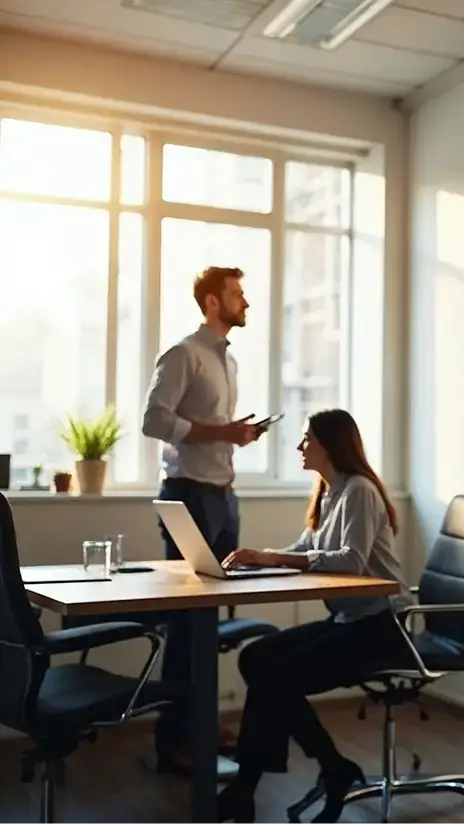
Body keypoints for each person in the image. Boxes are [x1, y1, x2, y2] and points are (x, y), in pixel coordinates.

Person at [216, 409, 413, 824]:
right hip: (347, 620)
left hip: (380, 627)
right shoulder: (328, 491)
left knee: (275, 674)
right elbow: (306, 548)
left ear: (330, 444)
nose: (300, 446)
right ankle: (330, 767)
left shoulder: (359, 490)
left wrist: (273, 558)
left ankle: (249, 788)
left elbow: (351, 560)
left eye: (308, 438)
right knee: (255, 658)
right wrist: (259, 559)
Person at [141, 265, 265, 772]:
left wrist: (237, 435)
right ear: (212, 302)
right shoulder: (183, 354)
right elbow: (154, 420)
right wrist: (221, 433)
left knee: (210, 621)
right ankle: (172, 741)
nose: (245, 302)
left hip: (223, 497)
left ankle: (202, 730)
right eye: (237, 294)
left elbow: (214, 431)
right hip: (189, 496)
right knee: (186, 622)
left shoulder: (228, 361)